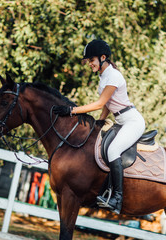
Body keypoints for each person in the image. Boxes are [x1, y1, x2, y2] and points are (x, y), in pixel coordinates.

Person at [52, 39, 145, 214]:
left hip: (133, 121)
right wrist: (101, 120)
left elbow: (100, 102)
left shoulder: (114, 76)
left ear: (103, 58)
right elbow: (108, 105)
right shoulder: (104, 76)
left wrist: (71, 110)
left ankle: (117, 198)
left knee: (113, 151)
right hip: (120, 120)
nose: (89, 64)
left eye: (91, 60)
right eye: (88, 61)